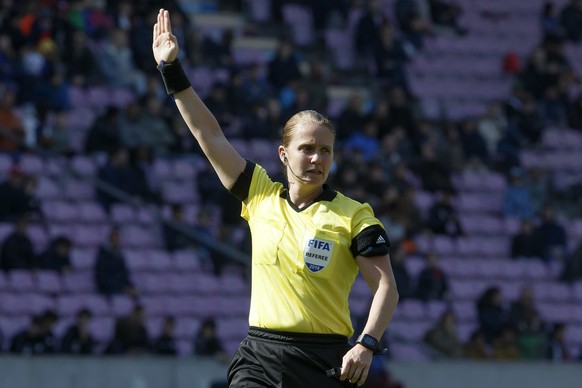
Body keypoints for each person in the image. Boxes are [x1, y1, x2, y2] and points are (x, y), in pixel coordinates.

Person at [152, 9, 399, 387]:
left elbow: (386, 287)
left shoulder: (355, 216)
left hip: (324, 361)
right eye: (307, 148)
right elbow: (209, 135)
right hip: (260, 356)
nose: (317, 158)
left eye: (327, 151)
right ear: (284, 154)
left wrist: (366, 343)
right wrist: (172, 71)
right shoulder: (259, 193)